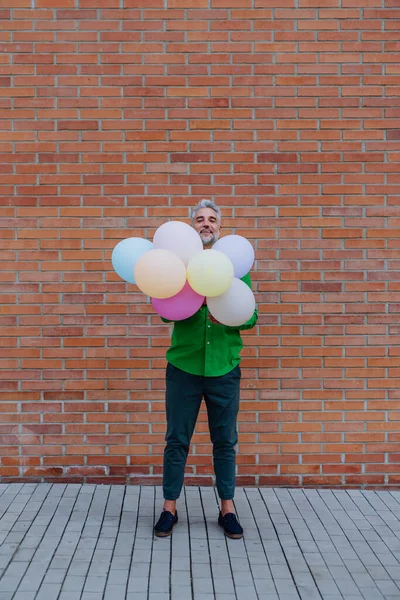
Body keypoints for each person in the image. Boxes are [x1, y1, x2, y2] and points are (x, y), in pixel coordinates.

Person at [154, 199, 258, 539]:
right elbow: (165, 311)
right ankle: (169, 508)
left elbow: (251, 315)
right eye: (200, 219)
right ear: (192, 228)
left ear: (220, 228)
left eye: (212, 220)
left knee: (225, 441)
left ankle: (227, 508)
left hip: (224, 368)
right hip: (184, 366)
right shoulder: (178, 267)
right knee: (176, 440)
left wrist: (229, 315)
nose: (206, 224)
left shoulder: (237, 268)